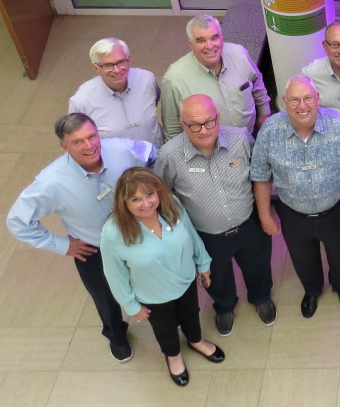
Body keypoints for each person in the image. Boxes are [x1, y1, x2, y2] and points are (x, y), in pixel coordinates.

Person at [5, 113, 156, 362]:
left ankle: (163, 316)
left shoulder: (120, 148)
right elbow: (17, 221)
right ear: (64, 146)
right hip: (94, 249)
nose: (89, 146)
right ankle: (116, 336)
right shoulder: (50, 182)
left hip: (141, 235)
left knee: (153, 279)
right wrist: (64, 245)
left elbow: (151, 153)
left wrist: (152, 191)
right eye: (78, 142)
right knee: (104, 297)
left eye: (92, 137)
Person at [250, 76, 340, 318]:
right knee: (302, 259)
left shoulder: (339, 125)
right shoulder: (270, 131)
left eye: (308, 98)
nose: (302, 105)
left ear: (317, 99)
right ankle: (312, 290)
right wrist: (265, 215)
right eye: (294, 100)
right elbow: (261, 176)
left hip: (336, 210)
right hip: (293, 213)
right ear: (284, 102)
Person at [155, 95, 276, 336]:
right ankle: (224, 307)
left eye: (209, 122)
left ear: (218, 118)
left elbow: (261, 174)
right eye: (194, 125)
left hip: (249, 225)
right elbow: (164, 195)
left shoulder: (241, 140)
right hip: (206, 235)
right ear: (182, 124)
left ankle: (261, 297)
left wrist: (266, 215)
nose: (203, 130)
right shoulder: (169, 155)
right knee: (215, 277)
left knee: (258, 266)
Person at [101, 168, 223, 386]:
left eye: (150, 195)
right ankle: (173, 355)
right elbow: (114, 274)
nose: (146, 203)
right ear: (124, 202)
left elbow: (191, 235)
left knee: (191, 315)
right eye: (136, 199)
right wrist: (131, 306)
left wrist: (203, 263)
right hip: (153, 294)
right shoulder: (113, 233)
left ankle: (196, 341)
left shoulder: (171, 205)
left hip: (185, 281)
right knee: (165, 328)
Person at [161, 15, 271, 140]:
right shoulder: (174, 79)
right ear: (191, 45)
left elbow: (256, 81)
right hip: (211, 153)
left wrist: (264, 113)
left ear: (222, 38)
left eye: (214, 38)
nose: (210, 46)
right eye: (201, 40)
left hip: (249, 138)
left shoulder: (239, 55)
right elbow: (172, 130)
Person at [69, 37, 163, 146]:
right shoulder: (81, 101)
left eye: (121, 62)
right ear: (95, 68)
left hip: (157, 158)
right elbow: (77, 142)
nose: (117, 70)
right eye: (108, 65)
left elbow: (154, 102)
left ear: (129, 60)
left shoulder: (147, 80)